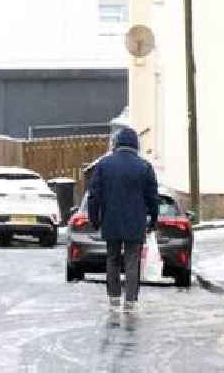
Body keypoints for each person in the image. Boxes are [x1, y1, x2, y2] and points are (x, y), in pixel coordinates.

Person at [87, 127, 159, 313]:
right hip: (135, 222)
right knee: (132, 260)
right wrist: (154, 219)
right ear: (136, 144)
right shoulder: (144, 167)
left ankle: (113, 298)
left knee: (112, 259)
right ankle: (131, 300)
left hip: (110, 221)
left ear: (116, 143)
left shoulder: (104, 165)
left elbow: (94, 195)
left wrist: (94, 219)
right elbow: (152, 197)